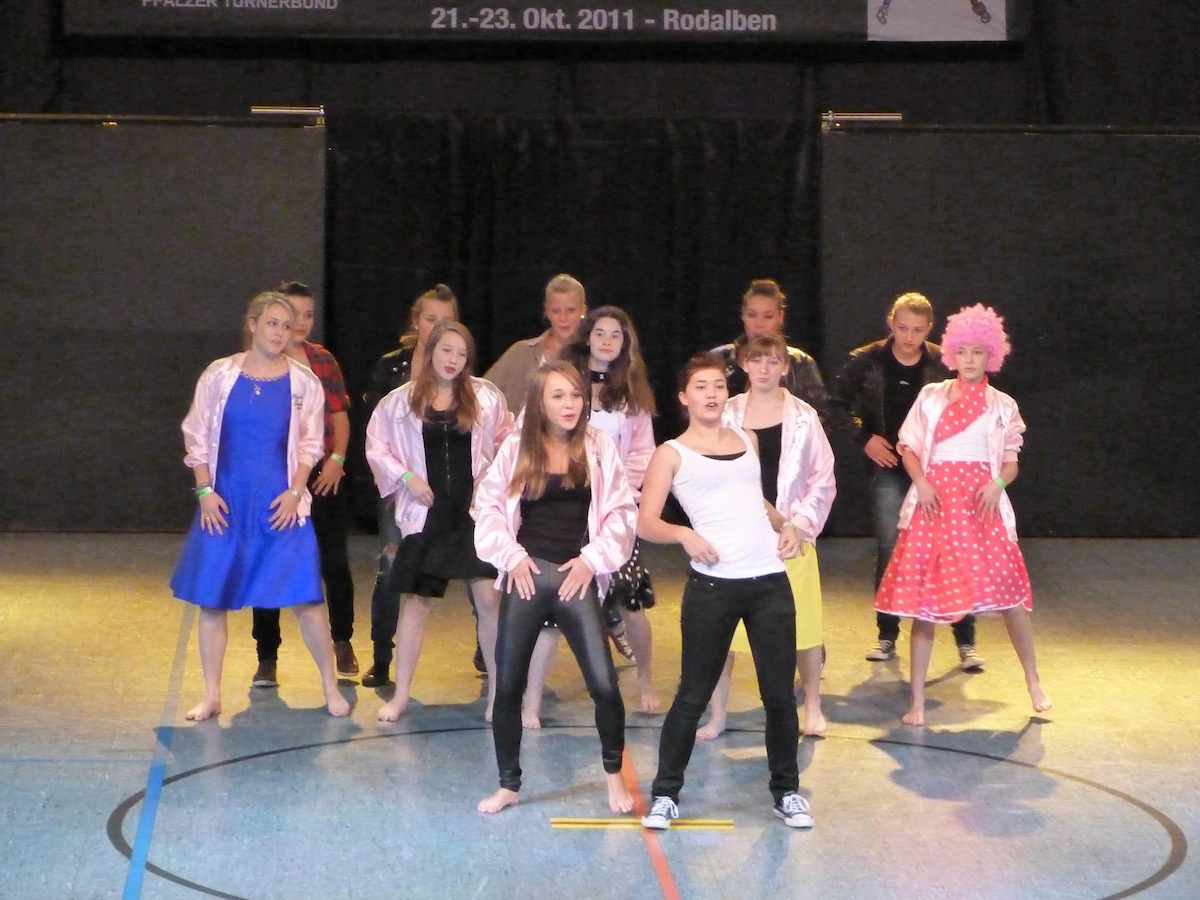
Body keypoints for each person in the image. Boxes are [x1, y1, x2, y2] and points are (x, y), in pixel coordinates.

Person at [639, 353, 813, 831]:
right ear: (684, 397)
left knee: (779, 696)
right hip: (714, 586)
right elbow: (646, 522)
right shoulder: (671, 453)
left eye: (718, 385)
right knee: (692, 694)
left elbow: (754, 500)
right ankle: (665, 795)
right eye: (701, 387)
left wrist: (788, 525)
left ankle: (787, 792)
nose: (712, 394)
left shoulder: (746, 439)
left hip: (769, 582)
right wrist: (684, 534)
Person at [169, 291, 350, 721]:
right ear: (252, 324)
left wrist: (296, 492)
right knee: (212, 600)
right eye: (271, 323)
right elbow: (197, 434)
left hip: (279, 503)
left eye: (286, 326)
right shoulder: (219, 375)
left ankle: (330, 687)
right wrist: (204, 491)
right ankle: (212, 694)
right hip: (227, 501)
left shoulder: (303, 381)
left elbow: (310, 443)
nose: (279, 332)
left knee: (307, 600)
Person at [472, 361, 637, 815]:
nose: (569, 404)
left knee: (604, 686)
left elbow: (622, 512)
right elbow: (487, 506)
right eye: (558, 396)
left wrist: (592, 560)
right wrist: (511, 556)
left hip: (574, 578)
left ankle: (613, 776)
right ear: (540, 403)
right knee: (508, 687)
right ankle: (508, 784)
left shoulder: (598, 445)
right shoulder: (518, 447)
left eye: (575, 395)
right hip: (527, 578)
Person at [875, 304, 1050, 726]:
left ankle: (1033, 680)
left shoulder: (1002, 405)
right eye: (964, 352)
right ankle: (917, 700)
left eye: (979, 352)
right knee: (925, 604)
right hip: (935, 503)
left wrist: (998, 483)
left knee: (1010, 596)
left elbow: (1010, 461)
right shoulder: (931, 396)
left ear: (992, 355)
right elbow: (909, 447)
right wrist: (921, 482)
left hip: (980, 504)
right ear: (953, 353)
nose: (970, 360)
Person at [365, 321, 514, 721]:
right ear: (431, 350)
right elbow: (377, 447)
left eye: (462, 354)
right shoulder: (400, 402)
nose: (453, 360)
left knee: (489, 598)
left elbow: (509, 441)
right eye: (447, 350)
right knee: (417, 602)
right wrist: (407, 478)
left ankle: (498, 694)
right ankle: (400, 695)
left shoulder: (486, 396)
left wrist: (489, 476)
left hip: (472, 514)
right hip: (427, 515)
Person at [522, 306, 661, 719]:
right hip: (565, 510)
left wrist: (617, 489)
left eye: (615, 335)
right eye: (599, 333)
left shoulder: (632, 395)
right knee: (554, 605)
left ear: (625, 343)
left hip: (612, 510)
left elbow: (643, 453)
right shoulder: (563, 381)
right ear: (587, 336)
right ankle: (531, 699)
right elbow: (531, 432)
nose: (606, 341)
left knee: (630, 601)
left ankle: (646, 679)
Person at [833, 292, 984, 669]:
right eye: (902, 328)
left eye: (917, 330)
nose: (909, 337)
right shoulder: (867, 359)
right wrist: (863, 437)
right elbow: (836, 405)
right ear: (890, 322)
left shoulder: (943, 362)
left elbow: (969, 404)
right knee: (891, 548)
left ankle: (966, 640)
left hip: (939, 469)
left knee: (953, 547)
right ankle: (887, 634)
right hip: (890, 466)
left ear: (929, 329)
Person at [697, 334, 836, 740]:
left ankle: (812, 706)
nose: (764, 368)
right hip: (736, 536)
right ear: (744, 364)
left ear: (785, 367)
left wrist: (798, 524)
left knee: (804, 628)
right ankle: (718, 714)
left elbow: (822, 478)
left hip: (791, 537)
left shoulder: (804, 417)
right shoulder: (726, 413)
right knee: (722, 633)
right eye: (756, 360)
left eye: (773, 361)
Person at [250, 281, 358, 688]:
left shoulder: (323, 361)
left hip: (321, 475)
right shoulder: (260, 365)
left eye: (308, 315)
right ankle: (267, 655)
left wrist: (336, 460)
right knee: (269, 562)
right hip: (275, 478)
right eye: (291, 315)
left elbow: (339, 415)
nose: (299, 322)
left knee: (334, 563)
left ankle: (342, 640)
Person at [361, 284, 459, 687]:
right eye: (431, 318)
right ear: (416, 322)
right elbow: (376, 432)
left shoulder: (460, 372)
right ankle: (382, 656)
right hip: (401, 489)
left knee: (482, 576)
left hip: (451, 493)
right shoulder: (392, 368)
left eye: (446, 320)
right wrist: (400, 479)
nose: (438, 327)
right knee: (391, 567)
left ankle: (488, 654)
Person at [711, 278, 829, 419]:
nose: (759, 324)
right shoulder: (718, 359)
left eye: (768, 316)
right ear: (743, 315)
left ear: (780, 317)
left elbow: (820, 415)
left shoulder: (800, 363)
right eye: (752, 315)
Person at [483, 273, 587, 411]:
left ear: (583, 310)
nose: (563, 318)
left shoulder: (591, 356)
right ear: (547, 311)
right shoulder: (520, 352)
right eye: (556, 311)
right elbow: (480, 393)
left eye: (570, 310)